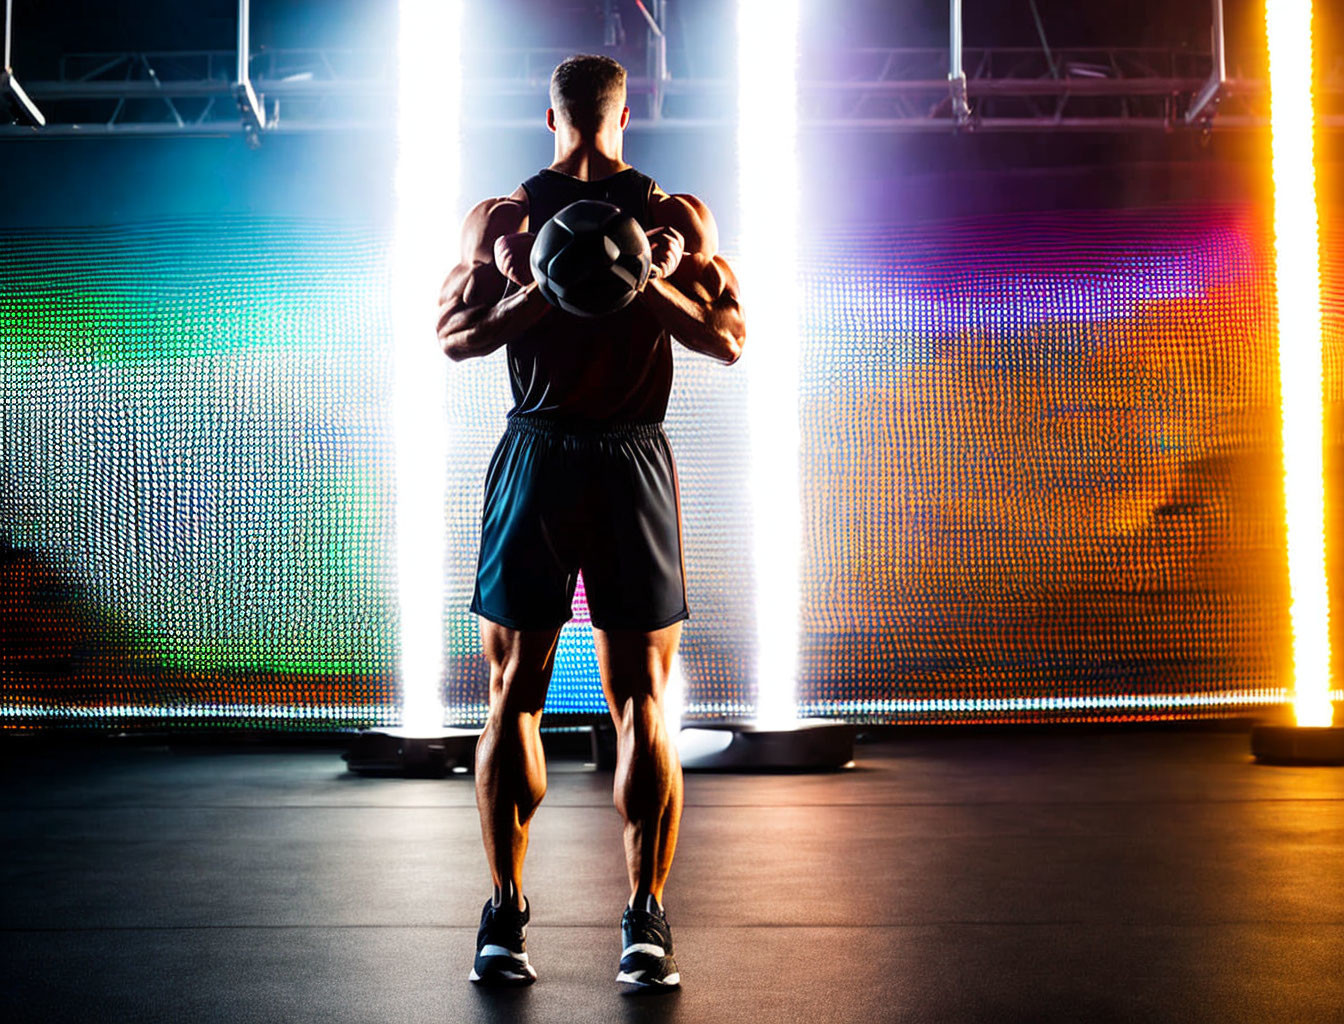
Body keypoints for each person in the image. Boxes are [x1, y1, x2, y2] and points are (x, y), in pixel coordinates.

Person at [435, 54, 744, 991]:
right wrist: (542, 287)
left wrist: (638, 279)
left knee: (524, 693)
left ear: (549, 114)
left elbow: (727, 339)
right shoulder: (512, 224)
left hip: (623, 451)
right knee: (624, 698)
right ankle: (581, 918)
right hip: (544, 448)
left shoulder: (662, 222)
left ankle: (536, 914)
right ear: (629, 110)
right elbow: (456, 337)